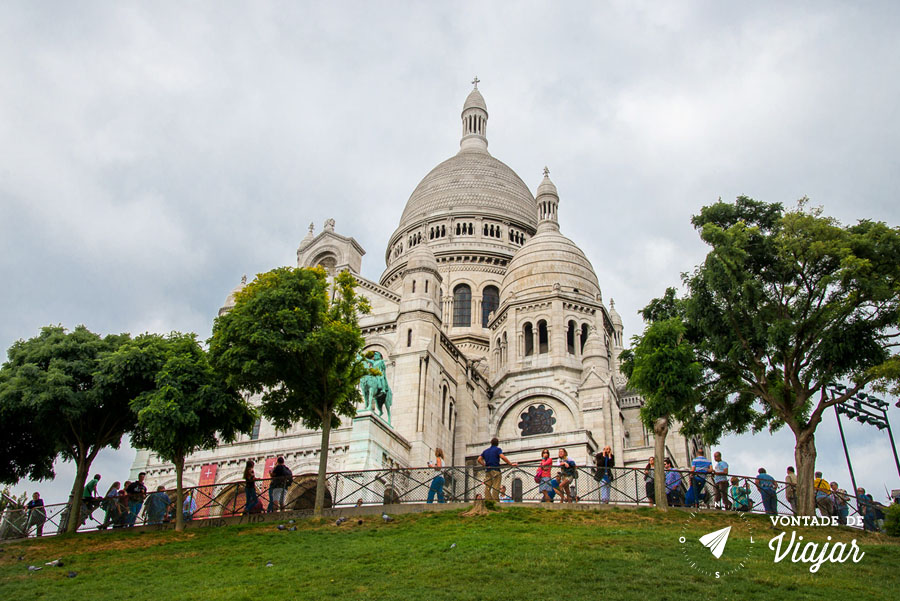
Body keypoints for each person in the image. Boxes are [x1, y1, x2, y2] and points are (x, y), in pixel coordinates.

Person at [477, 438, 516, 502]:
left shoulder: (485, 451)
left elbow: (479, 459)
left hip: (488, 471)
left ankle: (488, 500)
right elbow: (502, 457)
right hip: (495, 470)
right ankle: (495, 501)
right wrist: (510, 464)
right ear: (497, 443)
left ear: (491, 443)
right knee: (496, 486)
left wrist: (484, 465)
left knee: (487, 486)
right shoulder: (498, 450)